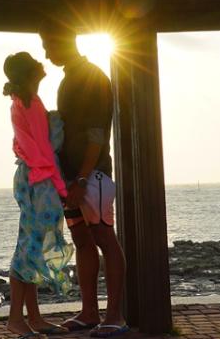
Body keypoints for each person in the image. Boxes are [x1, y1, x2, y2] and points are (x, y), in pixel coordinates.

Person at [39, 18, 128, 338]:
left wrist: (80, 180)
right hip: (71, 179)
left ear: (64, 40)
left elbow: (96, 134)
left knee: (105, 238)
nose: (47, 55)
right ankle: (90, 312)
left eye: (49, 46)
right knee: (82, 240)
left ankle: (115, 315)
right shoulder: (69, 79)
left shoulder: (91, 77)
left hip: (93, 177)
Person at [3, 51, 74, 338]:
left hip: (30, 178)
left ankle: (33, 317)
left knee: (29, 247)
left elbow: (21, 145)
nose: (41, 63)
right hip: (39, 181)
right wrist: (61, 188)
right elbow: (43, 152)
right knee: (28, 251)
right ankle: (16, 319)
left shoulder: (21, 102)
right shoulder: (30, 103)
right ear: (31, 72)